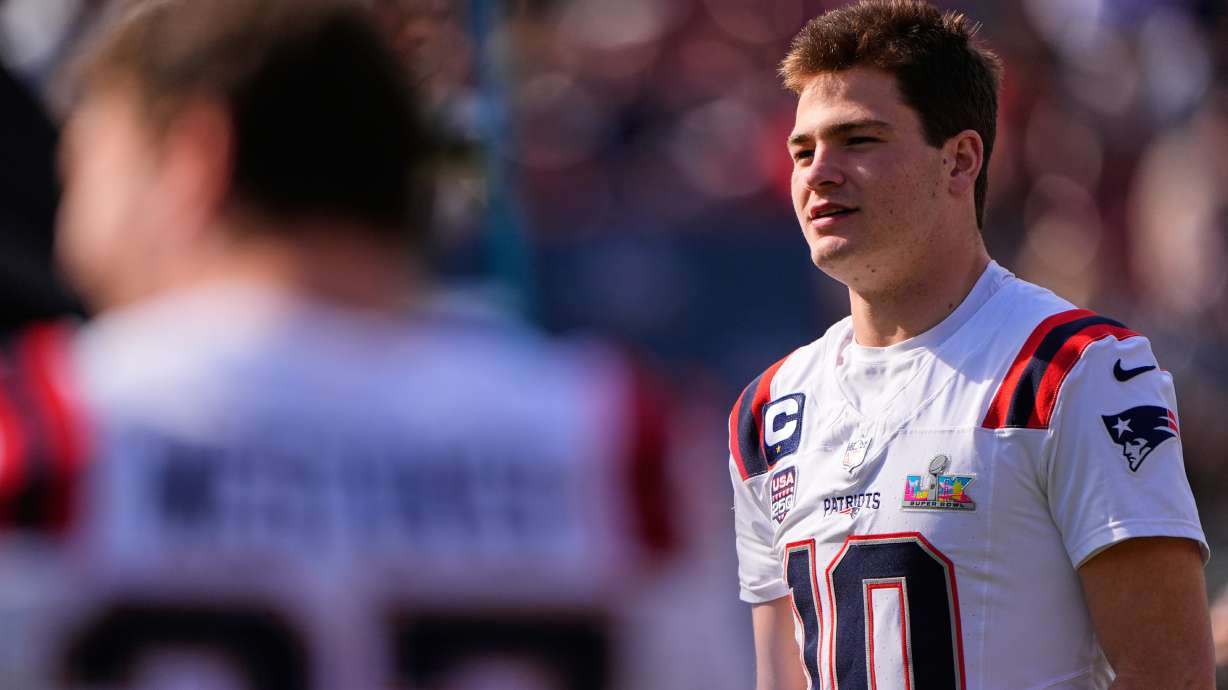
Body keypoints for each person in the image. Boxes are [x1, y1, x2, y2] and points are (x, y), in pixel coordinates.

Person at [41, 1, 674, 688]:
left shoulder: (48, 432)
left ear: (197, 159)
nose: (70, 232)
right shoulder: (621, 439)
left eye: (83, 166)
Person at [728, 2, 1212, 688]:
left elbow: (1169, 674)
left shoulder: (1075, 370)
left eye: (858, 141)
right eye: (802, 150)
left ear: (959, 161)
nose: (818, 173)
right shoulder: (770, 408)